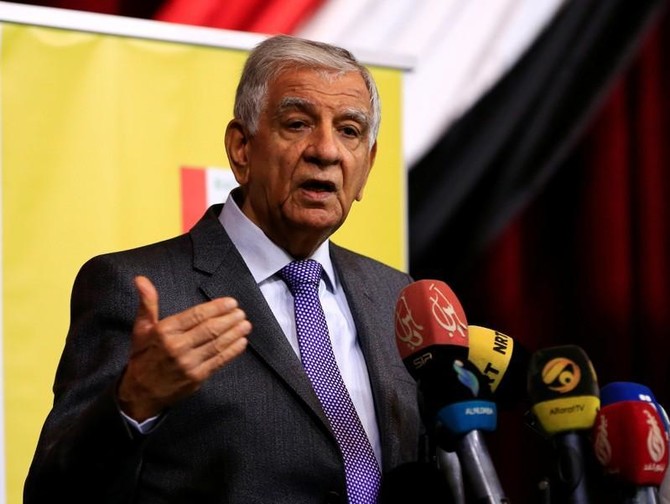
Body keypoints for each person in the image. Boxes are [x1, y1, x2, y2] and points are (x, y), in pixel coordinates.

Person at [23, 34, 423, 503]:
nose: (326, 150)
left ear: (367, 165)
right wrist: (133, 402)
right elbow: (53, 494)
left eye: (350, 131)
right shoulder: (135, 289)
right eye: (297, 124)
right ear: (241, 149)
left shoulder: (396, 297)